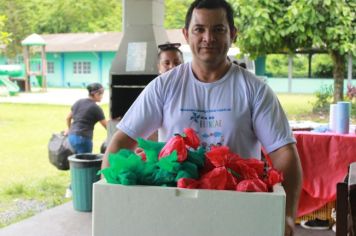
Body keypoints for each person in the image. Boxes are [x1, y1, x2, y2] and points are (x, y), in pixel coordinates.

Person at [102, 1, 302, 235]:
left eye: (219, 29)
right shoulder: (164, 87)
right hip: (175, 214)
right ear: (187, 34)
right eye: (199, 29)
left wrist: (287, 216)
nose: (209, 38)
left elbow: (284, 154)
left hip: (239, 212)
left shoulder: (254, 89)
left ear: (233, 34)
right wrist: (109, 206)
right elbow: (120, 142)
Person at [65, 82, 107, 154]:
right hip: (83, 139)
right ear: (96, 94)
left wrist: (69, 129)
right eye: (101, 94)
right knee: (85, 163)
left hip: (71, 137)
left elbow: (68, 118)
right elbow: (107, 126)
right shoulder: (96, 108)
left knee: (75, 161)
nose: (102, 96)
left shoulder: (79, 102)